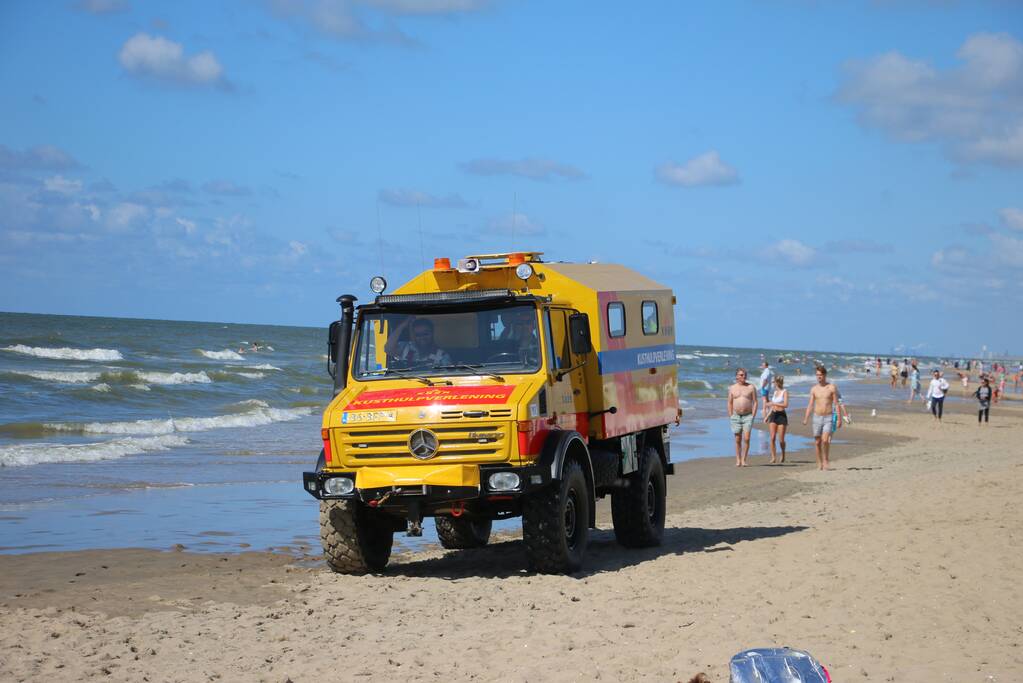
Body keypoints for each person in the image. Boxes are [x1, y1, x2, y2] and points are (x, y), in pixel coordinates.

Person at [803, 366, 839, 471]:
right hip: (816, 417)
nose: (819, 377)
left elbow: (836, 404)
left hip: (828, 417)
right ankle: (819, 462)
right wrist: (806, 418)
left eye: (820, 375)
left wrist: (839, 419)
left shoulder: (831, 387)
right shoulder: (814, 389)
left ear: (825, 375)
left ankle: (826, 460)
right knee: (817, 442)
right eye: (817, 375)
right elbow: (810, 404)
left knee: (825, 440)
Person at [384, 317, 452, 367]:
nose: (422, 338)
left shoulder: (442, 356)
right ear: (414, 336)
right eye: (418, 335)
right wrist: (403, 325)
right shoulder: (406, 348)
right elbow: (388, 349)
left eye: (425, 334)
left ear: (432, 334)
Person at [727, 368, 758, 468]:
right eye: (741, 375)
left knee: (747, 438)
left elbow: (755, 401)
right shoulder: (732, 388)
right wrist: (731, 415)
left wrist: (753, 414)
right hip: (735, 416)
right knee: (737, 439)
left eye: (744, 375)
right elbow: (730, 402)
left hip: (748, 415)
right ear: (736, 376)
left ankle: (744, 459)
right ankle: (738, 459)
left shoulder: (751, 387)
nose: (743, 376)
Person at [765, 376, 789, 464]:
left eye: (774, 382)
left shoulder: (784, 392)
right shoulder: (775, 392)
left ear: (777, 382)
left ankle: (783, 454)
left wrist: (774, 403)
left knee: (781, 439)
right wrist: (767, 416)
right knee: (772, 437)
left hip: (781, 416)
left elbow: (786, 405)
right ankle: (773, 457)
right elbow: (773, 406)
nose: (773, 384)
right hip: (773, 415)